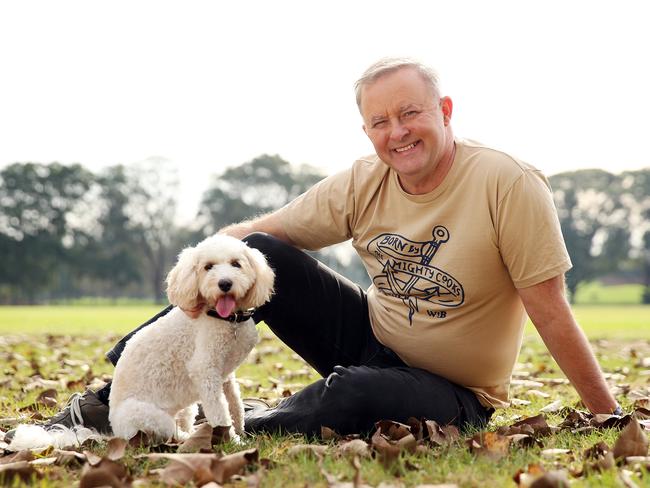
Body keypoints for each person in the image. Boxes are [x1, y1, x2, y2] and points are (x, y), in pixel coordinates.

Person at [7, 57, 621, 441]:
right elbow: (251, 241)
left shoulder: (507, 184)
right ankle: (110, 398)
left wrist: (609, 417)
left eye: (410, 113)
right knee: (259, 253)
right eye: (380, 122)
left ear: (445, 111)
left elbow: (548, 307)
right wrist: (194, 282)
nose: (397, 132)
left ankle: (239, 426)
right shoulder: (363, 179)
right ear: (366, 130)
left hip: (453, 388)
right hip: (367, 335)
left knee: (358, 394)